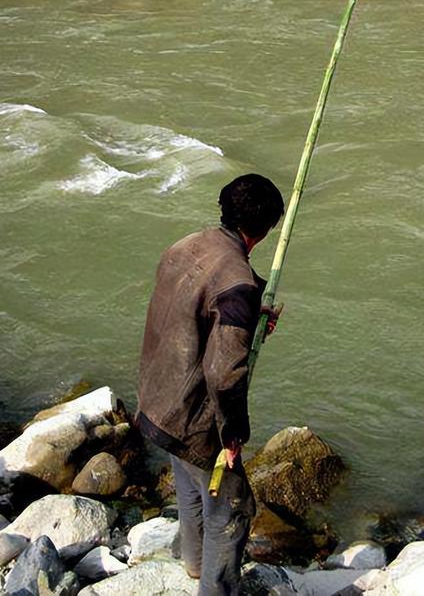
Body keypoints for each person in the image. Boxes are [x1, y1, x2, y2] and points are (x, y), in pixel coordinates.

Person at [136, 173, 285, 595]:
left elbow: (195, 303)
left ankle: (195, 563)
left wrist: (249, 313)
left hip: (155, 401)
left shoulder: (185, 244)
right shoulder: (235, 281)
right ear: (267, 227)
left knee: (189, 483)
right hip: (193, 417)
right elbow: (225, 373)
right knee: (232, 508)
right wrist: (233, 434)